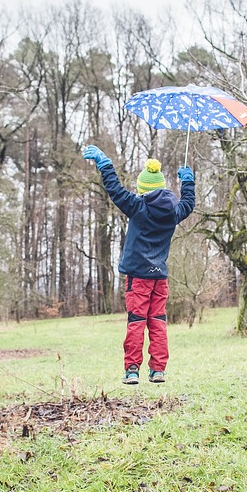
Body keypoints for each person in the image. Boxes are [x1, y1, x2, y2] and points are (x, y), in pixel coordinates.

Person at [81, 145, 195, 384]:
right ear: (162, 188)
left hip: (138, 278)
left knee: (136, 321)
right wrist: (188, 182)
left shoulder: (137, 207)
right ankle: (158, 370)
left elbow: (115, 190)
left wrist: (104, 164)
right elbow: (188, 203)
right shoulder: (174, 211)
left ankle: (132, 369)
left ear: (143, 190)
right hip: (160, 277)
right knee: (158, 322)